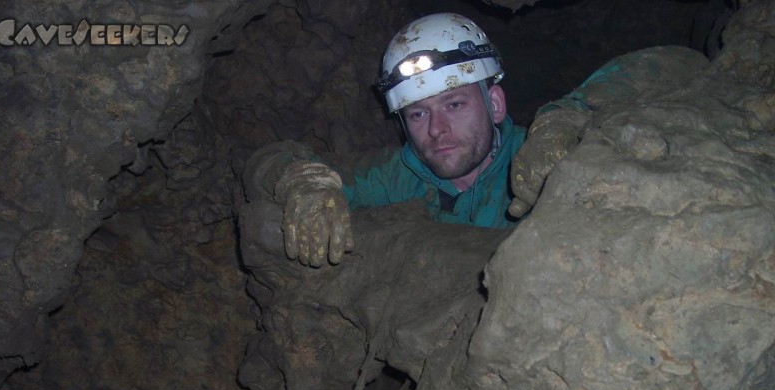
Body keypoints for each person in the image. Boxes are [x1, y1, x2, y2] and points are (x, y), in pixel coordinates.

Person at [242, 12, 704, 267]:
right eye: (418, 113)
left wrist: (571, 117)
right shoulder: (401, 174)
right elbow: (271, 157)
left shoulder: (545, 157)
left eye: (456, 105)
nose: (436, 130)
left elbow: (681, 64)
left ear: (496, 105)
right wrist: (304, 181)